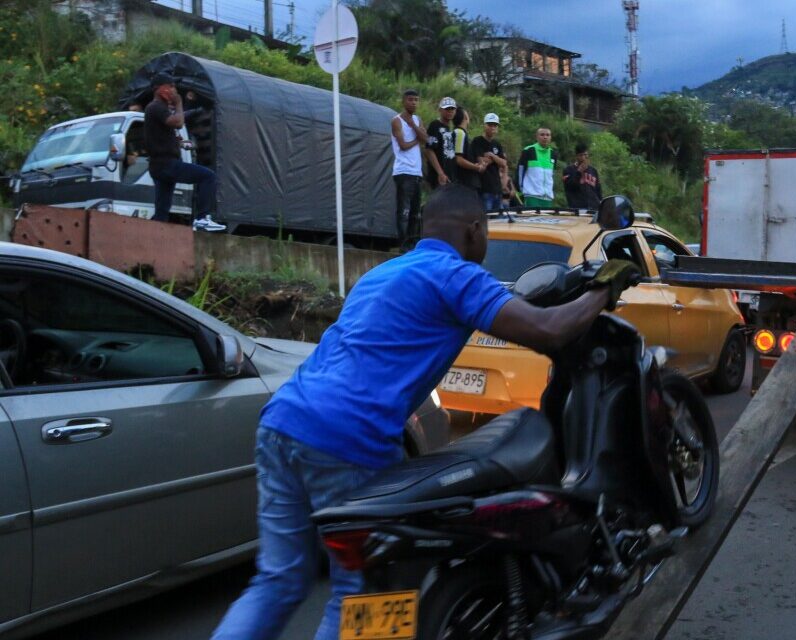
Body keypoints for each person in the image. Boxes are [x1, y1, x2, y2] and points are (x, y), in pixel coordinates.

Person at [210, 184, 639, 640]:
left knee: (279, 579)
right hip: (347, 439)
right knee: (364, 592)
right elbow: (549, 332)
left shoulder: (385, 271)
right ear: (475, 230)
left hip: (282, 422)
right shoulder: (457, 276)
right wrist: (603, 288)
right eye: (487, 233)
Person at [143, 72, 224, 231]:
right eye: (171, 86)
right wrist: (179, 103)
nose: (174, 90)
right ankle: (201, 219)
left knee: (162, 209)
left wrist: (178, 143)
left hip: (159, 166)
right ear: (160, 89)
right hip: (166, 164)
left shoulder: (158, 109)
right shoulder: (156, 106)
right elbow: (178, 122)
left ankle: (154, 235)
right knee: (208, 176)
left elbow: (163, 134)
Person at [391, 89, 427, 248]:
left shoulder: (417, 120)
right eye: (410, 99)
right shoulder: (396, 120)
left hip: (416, 172)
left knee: (415, 212)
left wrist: (413, 125)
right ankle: (402, 244)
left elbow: (426, 139)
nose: (413, 102)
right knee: (403, 211)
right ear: (404, 101)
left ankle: (412, 243)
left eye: (416, 99)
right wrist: (417, 140)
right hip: (403, 171)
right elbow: (403, 145)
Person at [471, 112, 510, 211]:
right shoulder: (477, 141)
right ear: (484, 125)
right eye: (490, 124)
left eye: (495, 125)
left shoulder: (497, 144)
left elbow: (504, 163)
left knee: (498, 220)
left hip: (497, 188)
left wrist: (492, 156)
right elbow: (481, 162)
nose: (492, 127)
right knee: (486, 218)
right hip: (484, 187)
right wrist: (496, 160)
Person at [452, 107, 490, 193]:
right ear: (465, 117)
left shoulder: (461, 133)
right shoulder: (460, 133)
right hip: (464, 182)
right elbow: (458, 159)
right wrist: (476, 167)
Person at [518, 127, 558, 208]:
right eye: (542, 135)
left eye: (548, 135)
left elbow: (552, 174)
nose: (545, 137)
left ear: (550, 137)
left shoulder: (553, 153)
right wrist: (521, 190)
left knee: (546, 220)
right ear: (536, 137)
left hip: (547, 197)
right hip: (532, 196)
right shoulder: (528, 150)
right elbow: (520, 171)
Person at [424, 97, 458, 189]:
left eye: (452, 109)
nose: (450, 111)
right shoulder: (434, 125)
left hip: (450, 176)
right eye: (447, 108)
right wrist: (440, 173)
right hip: (438, 177)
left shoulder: (450, 129)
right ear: (440, 110)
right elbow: (428, 150)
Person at [563, 142, 602, 210]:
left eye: (586, 155)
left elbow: (598, 190)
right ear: (577, 156)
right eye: (581, 155)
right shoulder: (568, 170)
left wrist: (600, 203)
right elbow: (570, 187)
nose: (584, 157)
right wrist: (579, 172)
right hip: (577, 208)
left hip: (594, 207)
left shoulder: (593, 171)